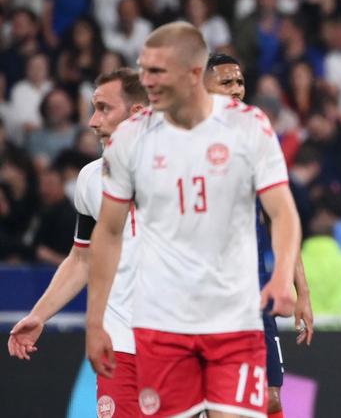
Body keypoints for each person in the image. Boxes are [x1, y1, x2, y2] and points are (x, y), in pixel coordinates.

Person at [86, 22, 301, 418]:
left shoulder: (249, 127)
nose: (146, 80)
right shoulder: (131, 139)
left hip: (233, 318)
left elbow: (282, 211)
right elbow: (108, 232)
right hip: (162, 325)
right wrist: (95, 318)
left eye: (157, 70)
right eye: (144, 69)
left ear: (191, 72)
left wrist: (283, 274)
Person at [7, 68, 148, 417]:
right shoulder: (90, 179)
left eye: (103, 109)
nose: (91, 121)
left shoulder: (182, 172)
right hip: (118, 345)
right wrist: (39, 315)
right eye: (93, 108)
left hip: (179, 343)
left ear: (136, 114)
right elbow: (81, 258)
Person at [205, 52, 315, 418]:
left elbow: (281, 218)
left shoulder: (255, 139)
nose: (236, 89)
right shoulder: (183, 144)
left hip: (254, 291)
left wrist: (301, 290)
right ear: (202, 86)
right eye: (226, 82)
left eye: (239, 82)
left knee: (270, 397)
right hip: (202, 296)